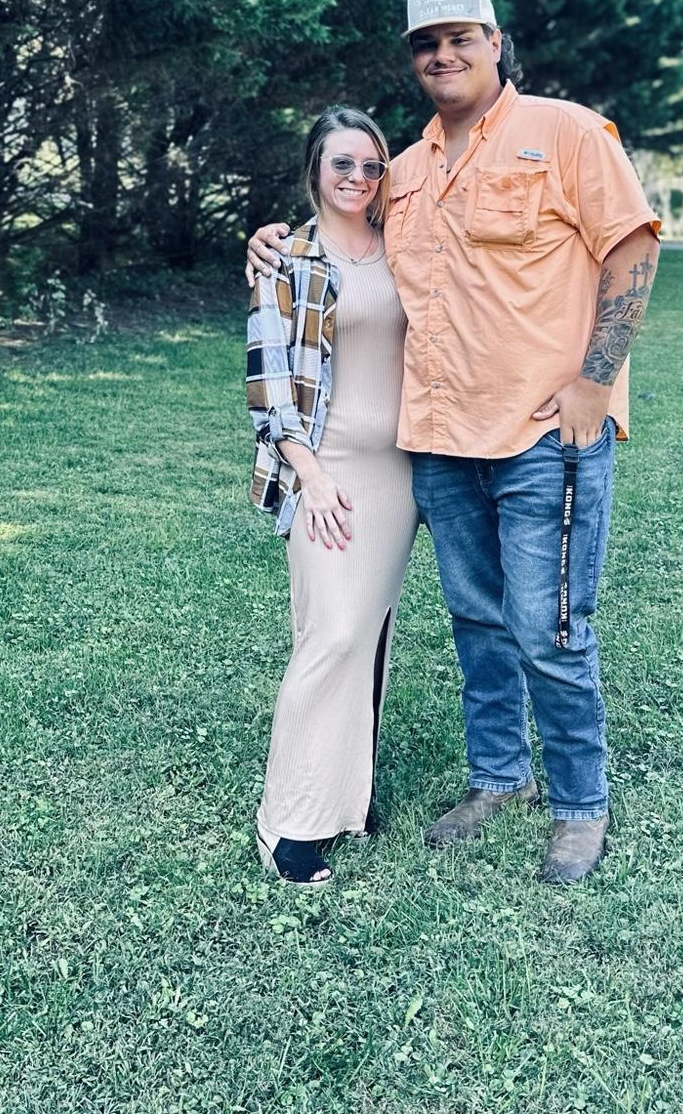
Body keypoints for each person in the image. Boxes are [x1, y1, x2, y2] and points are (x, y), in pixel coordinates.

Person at [248, 0, 659, 884]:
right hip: (436, 441)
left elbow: (632, 246)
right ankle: (499, 778)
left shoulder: (567, 133)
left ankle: (580, 805)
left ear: (495, 42)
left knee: (549, 626)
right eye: (426, 44)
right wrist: (268, 241)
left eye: (461, 37)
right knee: (477, 621)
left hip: (542, 436)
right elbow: (338, 235)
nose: (443, 55)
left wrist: (595, 382)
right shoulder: (404, 171)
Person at [246, 106, 418, 886]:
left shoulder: (404, 247)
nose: (359, 178)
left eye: (372, 165)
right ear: (315, 168)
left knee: (371, 636)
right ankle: (286, 821)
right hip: (327, 471)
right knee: (332, 633)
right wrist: (309, 475)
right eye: (342, 163)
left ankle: (347, 799)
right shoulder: (286, 258)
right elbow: (269, 384)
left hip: (400, 474)